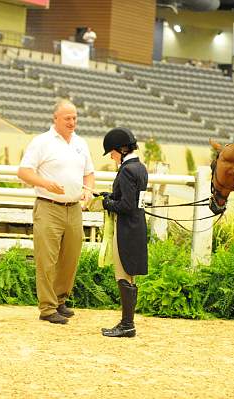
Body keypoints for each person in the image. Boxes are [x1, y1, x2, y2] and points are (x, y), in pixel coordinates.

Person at [17, 99, 95, 324]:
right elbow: (23, 172)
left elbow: (88, 172)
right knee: (47, 259)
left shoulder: (81, 143)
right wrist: (45, 183)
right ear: (55, 119)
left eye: (75, 118)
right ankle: (47, 307)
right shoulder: (41, 142)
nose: (72, 122)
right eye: (68, 118)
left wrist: (88, 190)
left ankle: (60, 299)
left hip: (74, 208)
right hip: (49, 206)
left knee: (70, 258)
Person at [99, 127, 148, 338]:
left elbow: (127, 205)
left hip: (126, 227)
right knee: (130, 276)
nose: (111, 156)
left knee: (123, 274)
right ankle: (127, 323)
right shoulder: (140, 167)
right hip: (137, 225)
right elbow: (132, 198)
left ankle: (127, 324)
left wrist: (107, 203)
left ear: (122, 149)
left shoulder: (127, 170)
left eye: (112, 151)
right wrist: (111, 195)